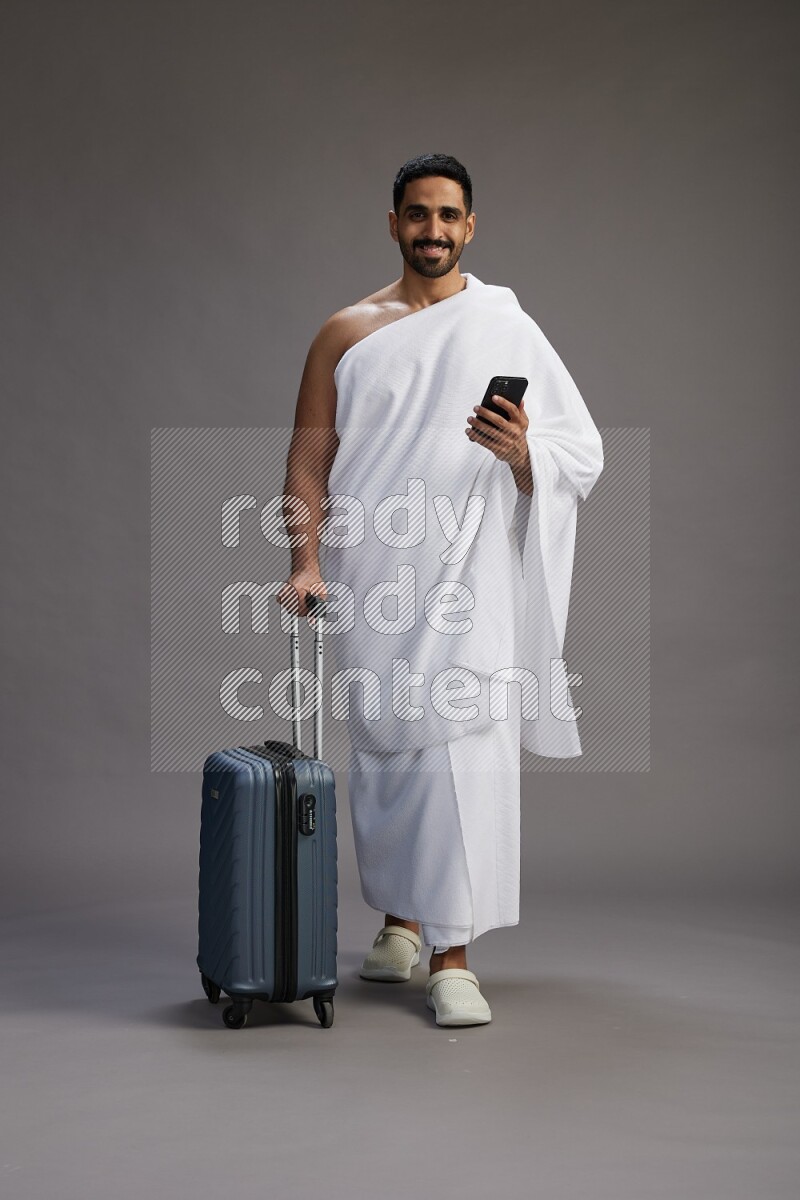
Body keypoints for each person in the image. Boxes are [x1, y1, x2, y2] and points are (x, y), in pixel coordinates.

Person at [276, 153, 603, 1027]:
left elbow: (578, 454)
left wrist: (522, 454)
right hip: (374, 570)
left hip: (472, 573)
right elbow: (310, 461)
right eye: (417, 215)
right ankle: (400, 918)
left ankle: (454, 955)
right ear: (393, 223)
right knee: (388, 752)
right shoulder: (346, 331)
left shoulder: (505, 325)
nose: (433, 230)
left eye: (449, 216)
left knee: (465, 750)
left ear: (470, 226)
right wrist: (305, 563)